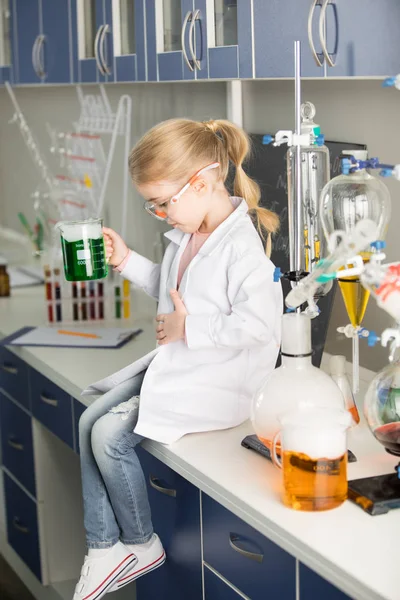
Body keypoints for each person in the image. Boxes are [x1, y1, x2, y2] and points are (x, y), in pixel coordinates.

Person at [73, 118, 282, 600]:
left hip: (220, 388)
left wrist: (192, 328)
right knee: (89, 422)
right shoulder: (189, 236)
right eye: (153, 204)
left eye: (164, 202)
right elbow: (173, 291)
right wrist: (126, 261)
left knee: (107, 436)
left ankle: (140, 544)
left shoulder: (241, 248)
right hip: (183, 369)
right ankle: (104, 549)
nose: (160, 214)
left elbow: (261, 327)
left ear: (203, 182)